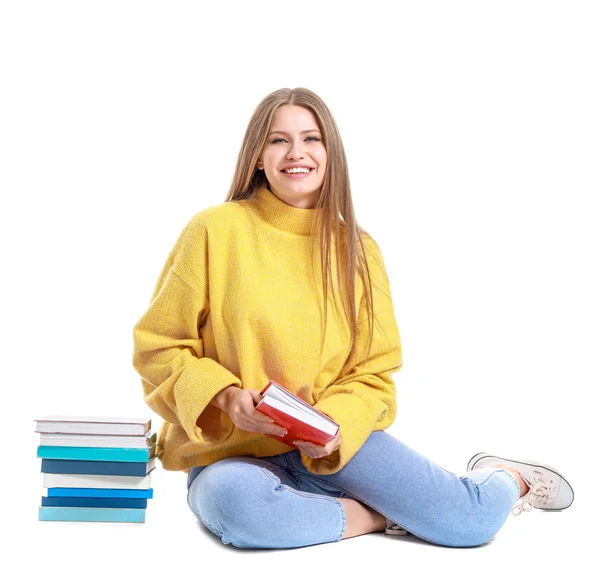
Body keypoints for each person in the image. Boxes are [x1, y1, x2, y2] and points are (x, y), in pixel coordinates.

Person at [132, 87, 574, 549]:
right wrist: (225, 398)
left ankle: (506, 477)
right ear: (258, 157)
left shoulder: (358, 251)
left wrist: (333, 428)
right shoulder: (213, 230)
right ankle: (377, 516)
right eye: (278, 140)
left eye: (312, 139)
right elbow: (159, 346)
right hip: (229, 455)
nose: (296, 153)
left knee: (470, 523)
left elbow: (374, 373)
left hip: (332, 447)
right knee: (241, 510)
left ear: (330, 155)